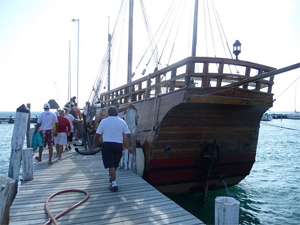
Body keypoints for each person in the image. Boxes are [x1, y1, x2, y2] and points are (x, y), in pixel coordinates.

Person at [92, 106, 134, 192]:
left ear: (108, 113)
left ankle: (114, 184)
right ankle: (112, 178)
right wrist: (130, 146)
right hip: (118, 145)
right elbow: (128, 135)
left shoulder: (104, 121)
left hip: (107, 144)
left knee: (111, 165)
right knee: (115, 164)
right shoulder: (122, 122)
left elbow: (97, 135)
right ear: (117, 113)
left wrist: (94, 144)